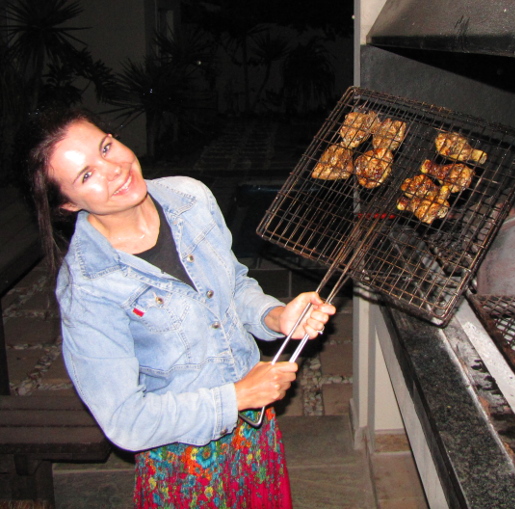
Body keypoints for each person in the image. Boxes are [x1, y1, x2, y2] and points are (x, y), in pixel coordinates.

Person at [19, 108, 336, 508]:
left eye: (106, 147)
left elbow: (232, 285)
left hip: (253, 427)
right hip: (183, 458)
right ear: (66, 204)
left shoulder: (189, 196)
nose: (114, 169)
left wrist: (276, 316)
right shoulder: (87, 287)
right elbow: (126, 421)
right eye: (86, 175)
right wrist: (235, 396)